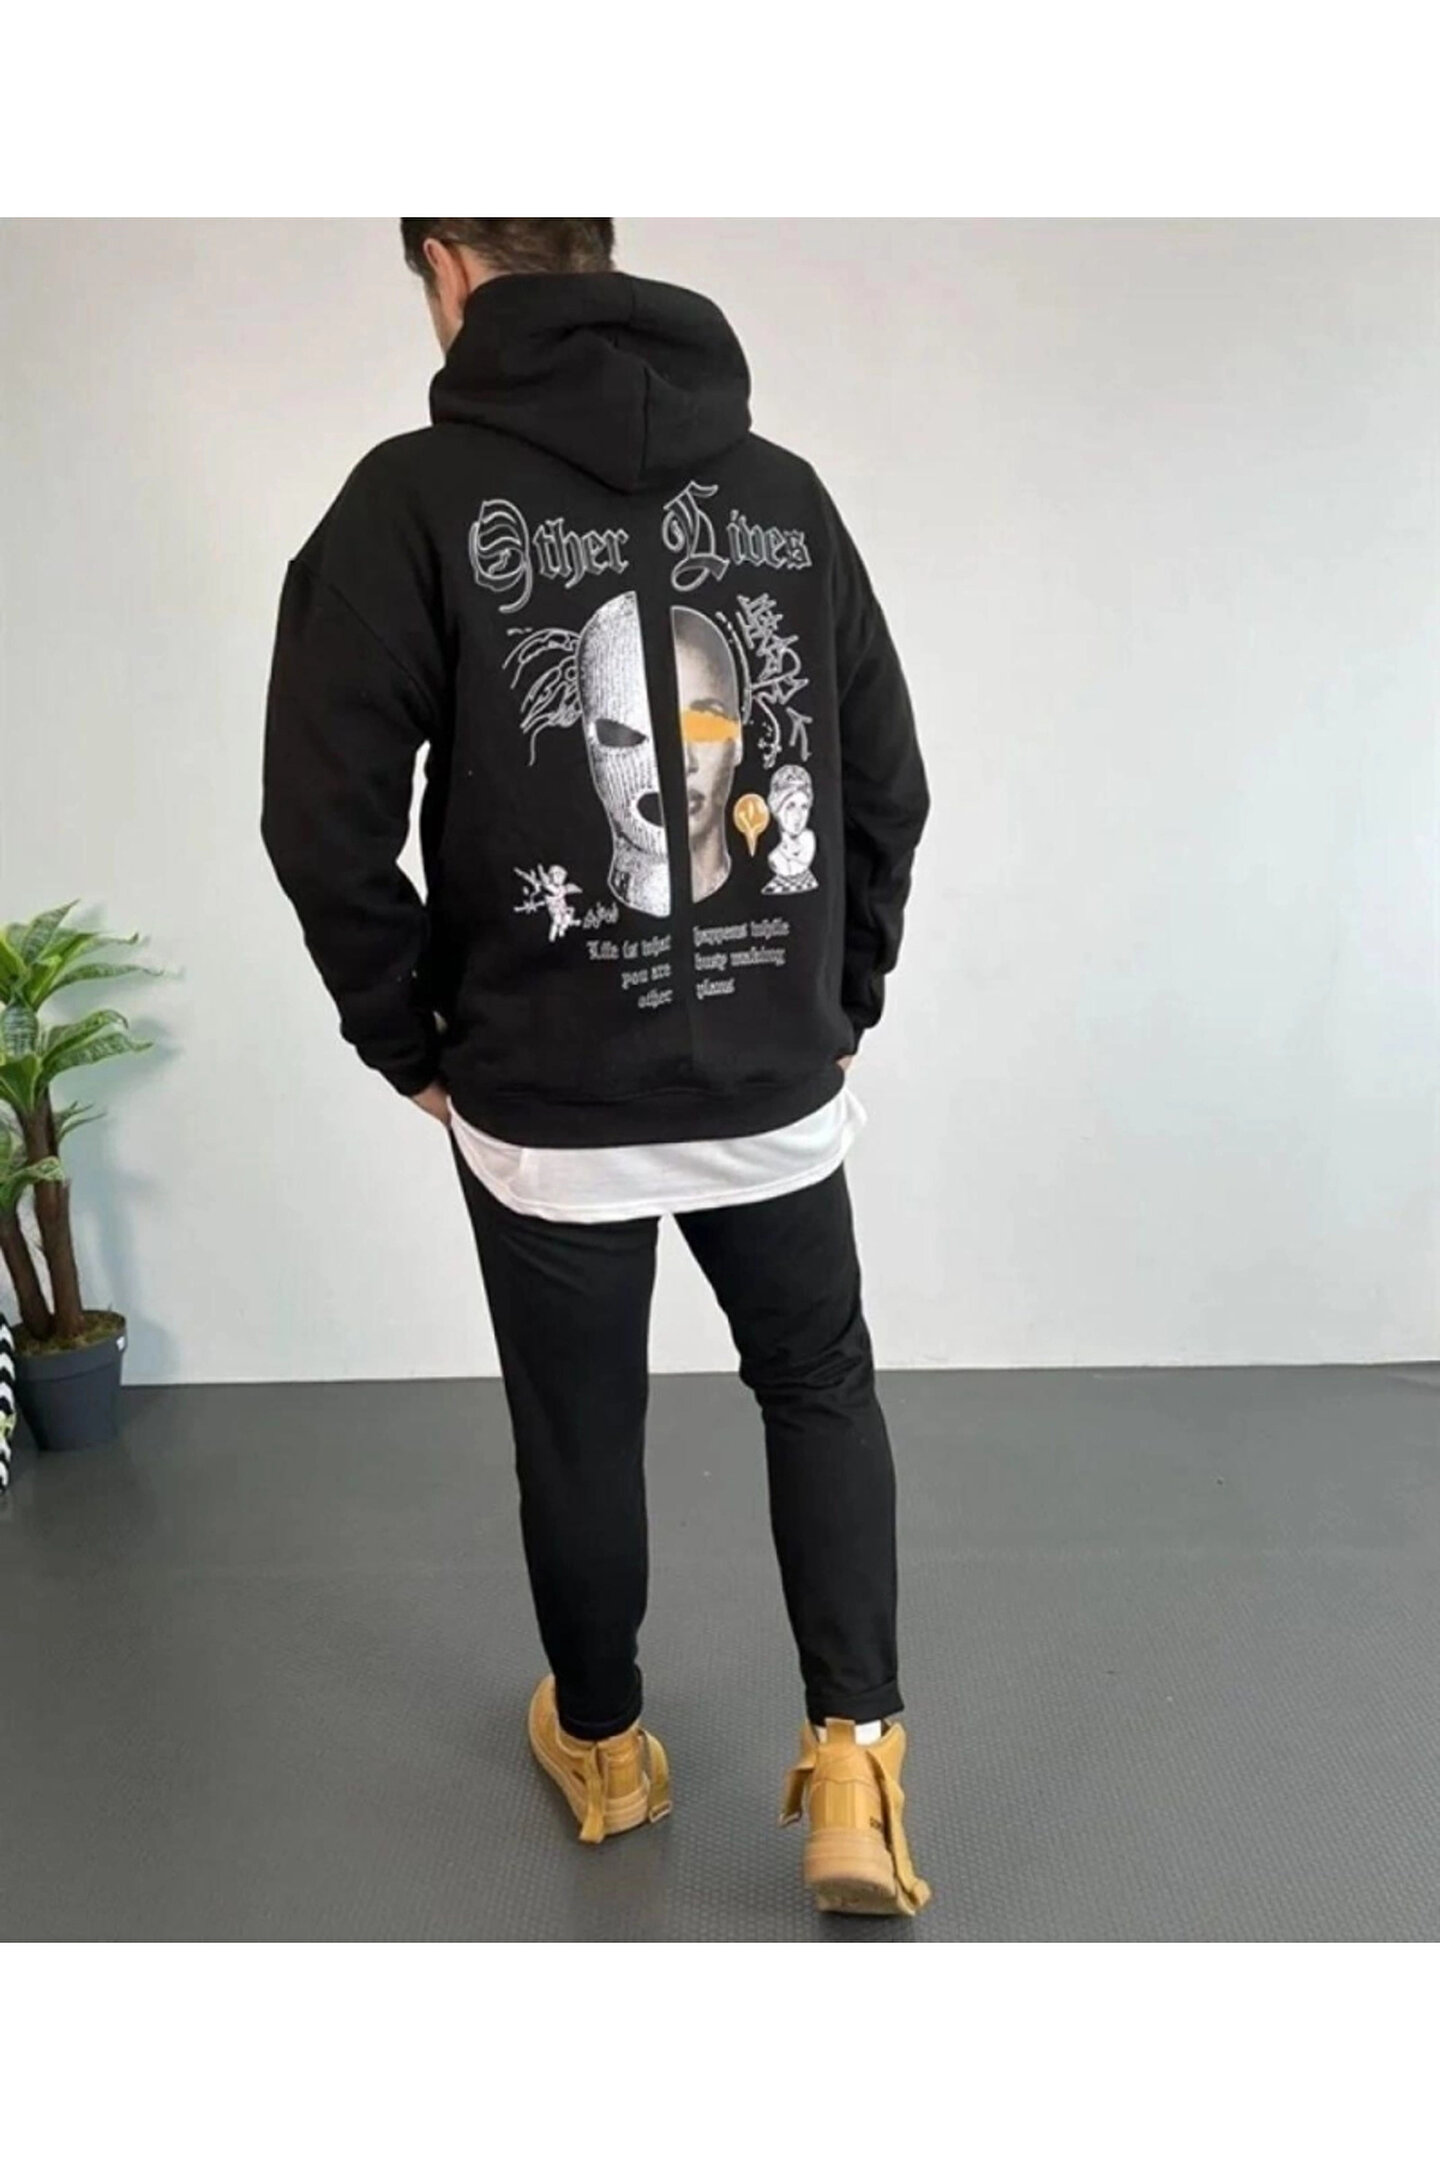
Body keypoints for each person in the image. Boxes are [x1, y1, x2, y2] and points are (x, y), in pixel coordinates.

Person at [261, 218, 932, 1918]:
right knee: (818, 1384)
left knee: (578, 1425)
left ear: (447, 264)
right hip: (772, 1083)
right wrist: (834, 993)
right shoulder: (784, 495)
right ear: (603, 248)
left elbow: (321, 821)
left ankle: (611, 1750)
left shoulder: (407, 500)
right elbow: (886, 781)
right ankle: (857, 1767)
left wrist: (406, 1038)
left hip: (547, 1099)